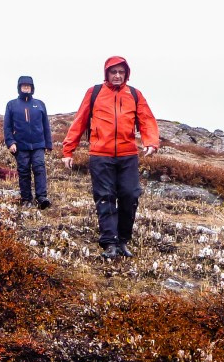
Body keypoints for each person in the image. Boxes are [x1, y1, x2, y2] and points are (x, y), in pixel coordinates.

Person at [62, 56, 159, 259]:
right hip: (100, 156)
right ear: (106, 73)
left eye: (121, 72)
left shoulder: (134, 94)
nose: (117, 75)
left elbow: (146, 120)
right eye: (113, 72)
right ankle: (109, 243)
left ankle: (123, 240)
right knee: (105, 198)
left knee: (130, 196)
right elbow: (80, 121)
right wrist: (68, 150)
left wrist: (150, 141)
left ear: (126, 74)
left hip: (128, 155)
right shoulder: (94, 92)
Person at [3, 76, 52, 209]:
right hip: (20, 145)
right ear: (19, 88)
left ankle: (42, 198)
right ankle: (26, 199)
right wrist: (10, 142)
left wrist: (48, 143)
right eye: (23, 86)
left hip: (38, 145)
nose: (26, 88)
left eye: (28, 86)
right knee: (23, 171)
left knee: (39, 168)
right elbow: (7, 126)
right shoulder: (11, 104)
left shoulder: (40, 104)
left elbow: (46, 125)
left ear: (32, 88)